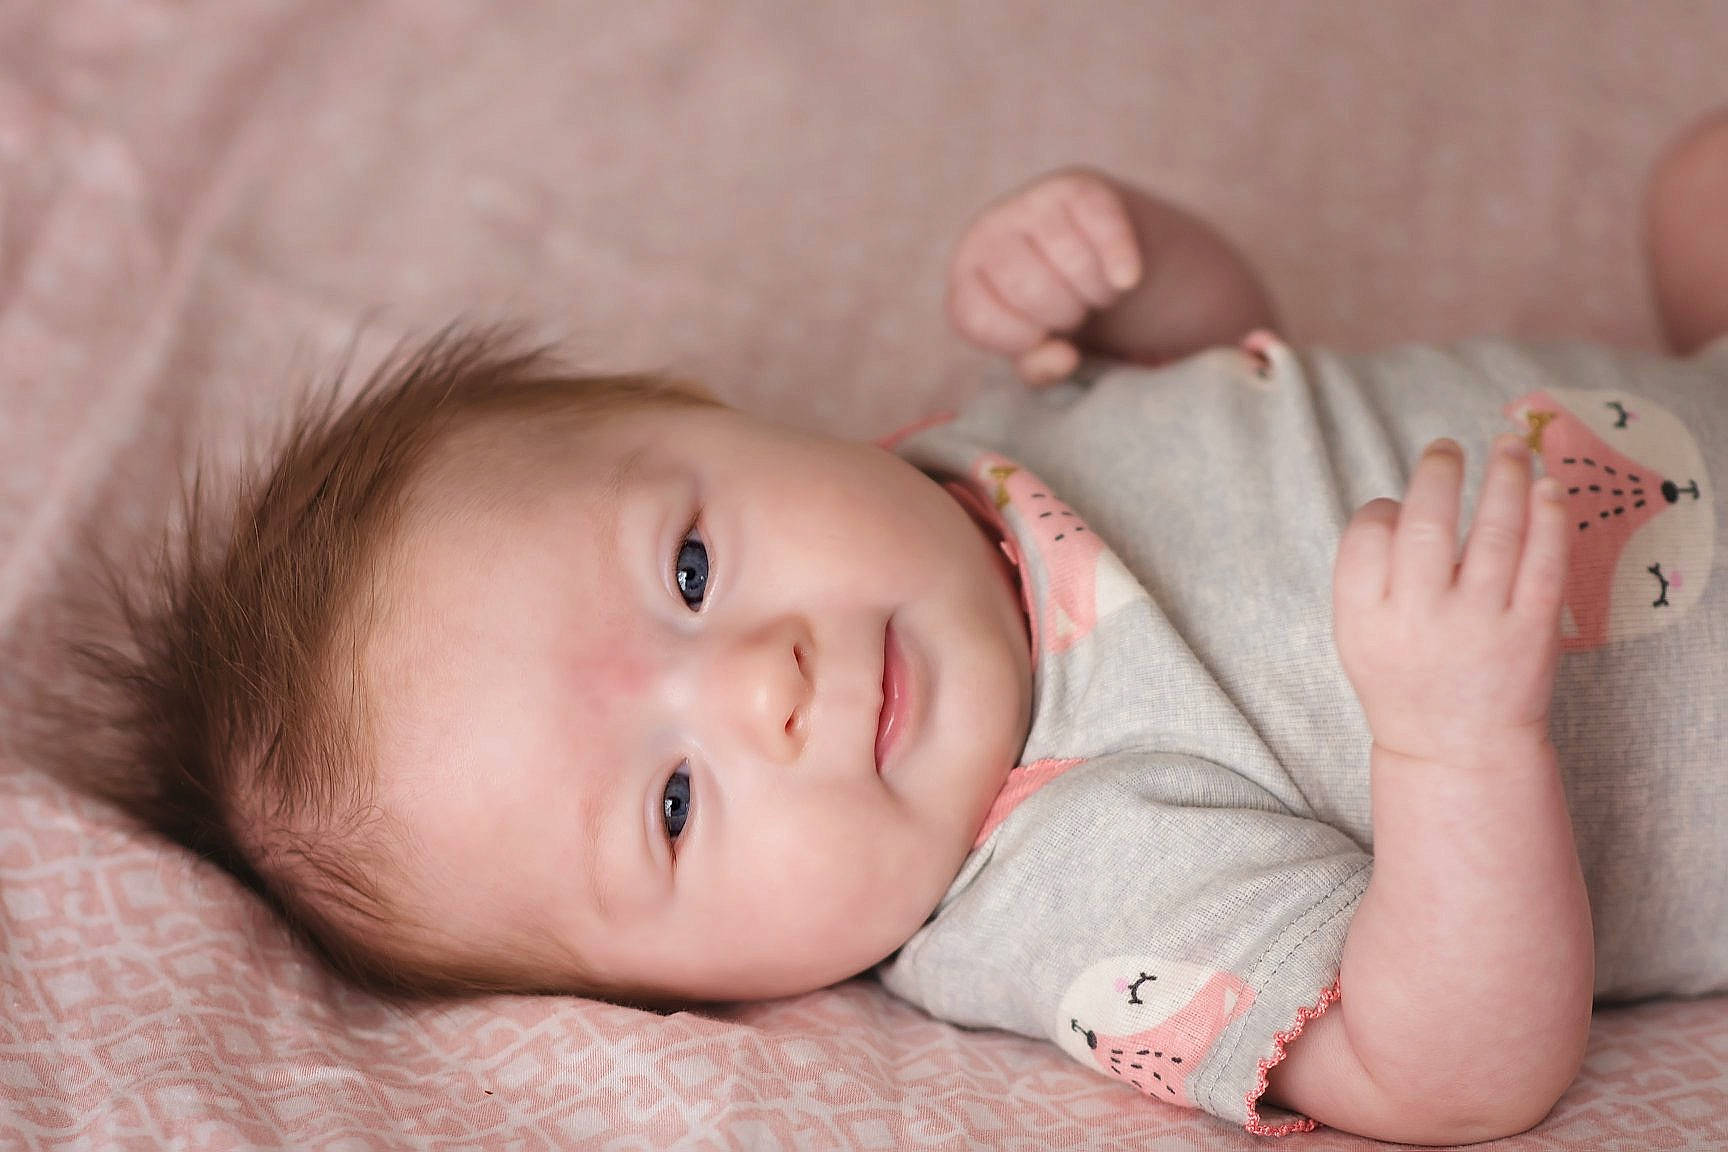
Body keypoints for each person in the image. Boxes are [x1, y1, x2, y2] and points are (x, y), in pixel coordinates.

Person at [87, 112, 1728, 1145]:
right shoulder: (1070, 896)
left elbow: (1238, 370)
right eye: (675, 805)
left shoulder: (958, 471)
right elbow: (1452, 1072)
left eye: (689, 568)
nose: (767, 685)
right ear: (690, 997)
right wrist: (1457, 741)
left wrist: (1131, 271)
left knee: (1697, 183)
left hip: (1673, 424)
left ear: (711, 413)